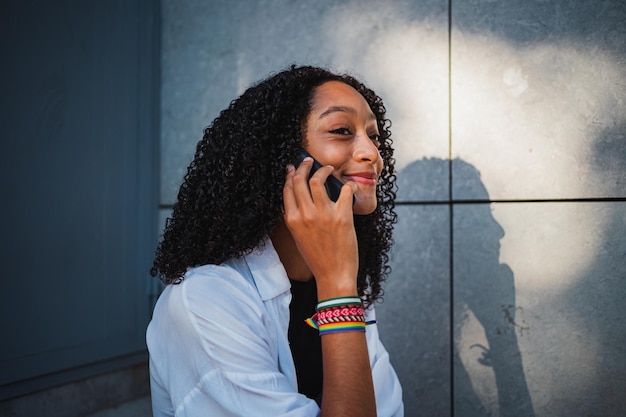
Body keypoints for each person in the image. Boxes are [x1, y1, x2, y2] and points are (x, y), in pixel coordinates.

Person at [147, 65, 403, 417]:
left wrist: (338, 285)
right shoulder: (205, 302)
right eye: (342, 130)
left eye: (374, 136)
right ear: (283, 158)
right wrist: (338, 286)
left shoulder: (343, 281)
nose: (372, 154)